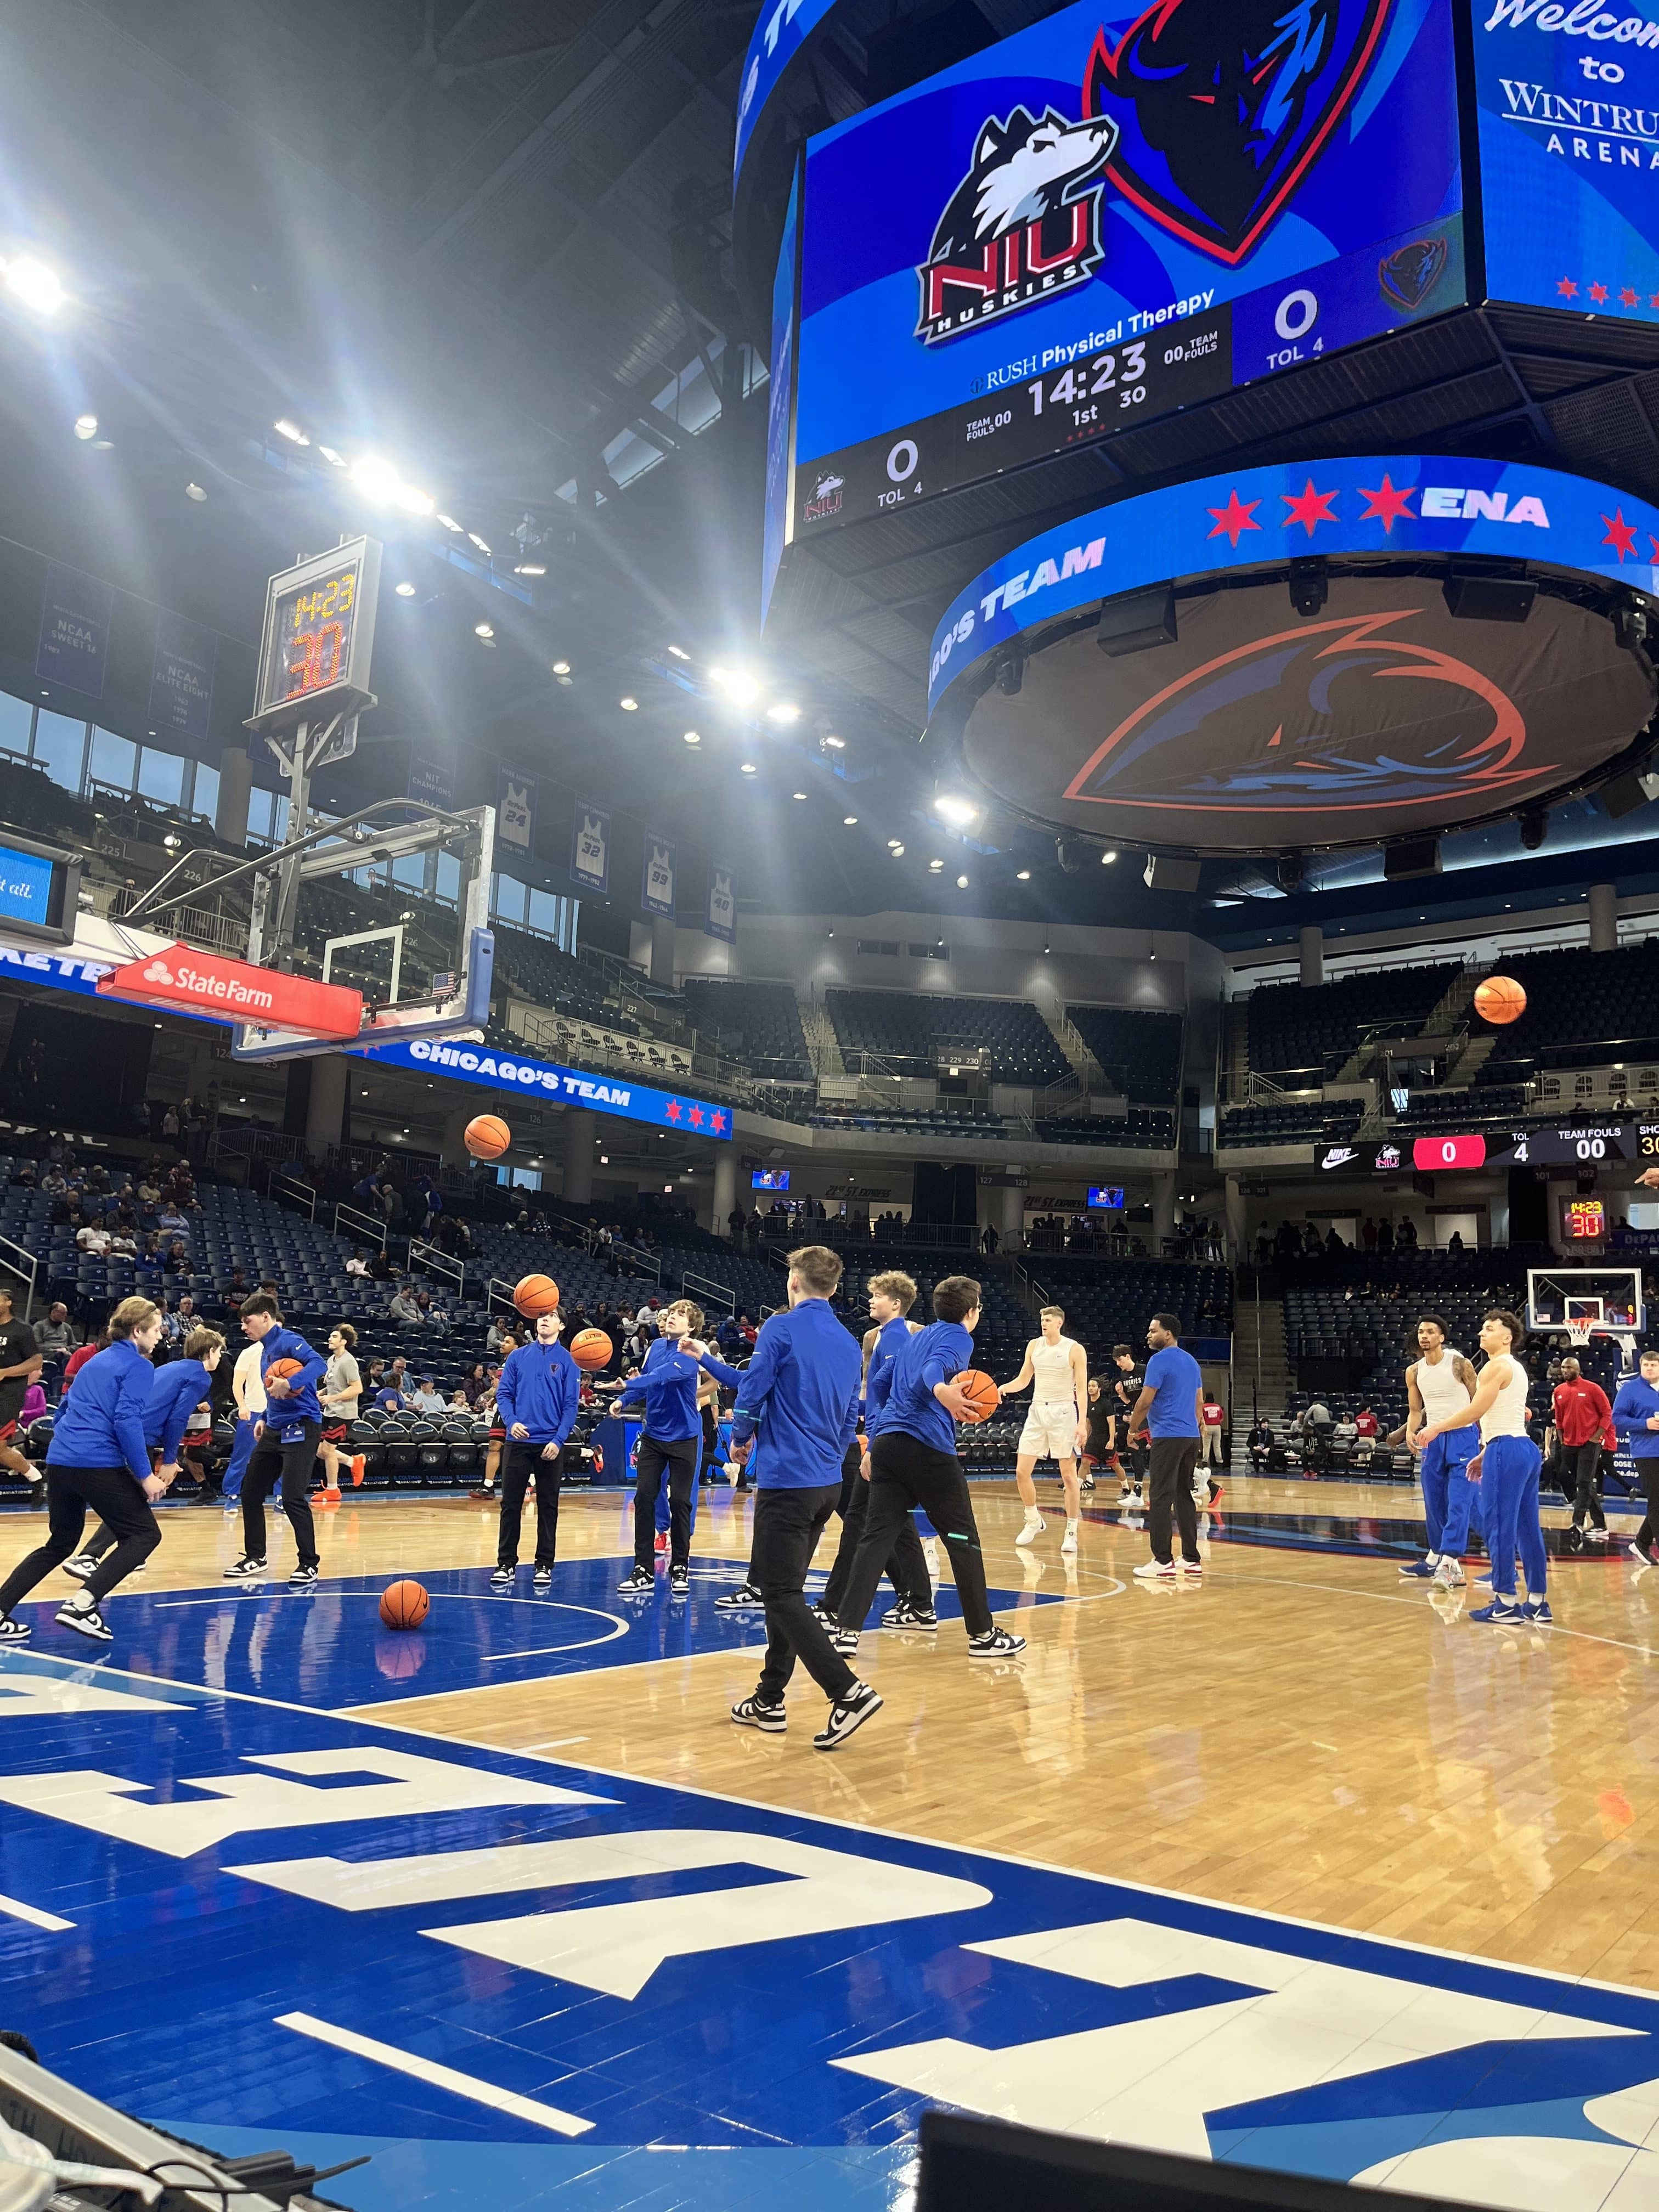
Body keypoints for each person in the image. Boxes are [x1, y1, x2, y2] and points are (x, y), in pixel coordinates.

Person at [709, 1246, 885, 1750]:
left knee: (779, 1594)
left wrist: (741, 1437)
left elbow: (753, 1392)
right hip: (828, 1482)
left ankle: (846, 1692)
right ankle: (769, 1698)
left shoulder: (780, 1328)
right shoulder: (850, 1342)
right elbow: (850, 1407)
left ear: (793, 1282)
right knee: (782, 1591)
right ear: (831, 1288)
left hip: (787, 1480)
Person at [833, 1273, 1026, 1663]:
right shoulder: (957, 1336)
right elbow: (933, 1370)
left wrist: (876, 1434)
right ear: (972, 1313)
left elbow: (880, 1385)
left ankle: (846, 1632)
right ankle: (983, 1634)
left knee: (875, 1538)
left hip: (888, 1447)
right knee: (963, 1540)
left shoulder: (913, 1336)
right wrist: (943, 1393)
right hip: (928, 1449)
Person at [0, 1296, 167, 1646]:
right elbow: (127, 1420)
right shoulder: (139, 1366)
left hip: (61, 1463)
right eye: (155, 1330)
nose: (159, 1336)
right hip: (96, 1464)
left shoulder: (97, 1360)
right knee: (144, 1535)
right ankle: (82, 1604)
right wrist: (145, 1474)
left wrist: (69, 1448)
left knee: (60, 1543)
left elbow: (62, 1412)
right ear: (137, 1331)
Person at [814, 1271, 933, 1630]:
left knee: (866, 1523)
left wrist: (876, 1442)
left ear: (896, 1303)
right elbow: (871, 1389)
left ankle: (840, 1606)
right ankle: (919, 1603)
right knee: (885, 1522)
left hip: (896, 1439)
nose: (870, 1300)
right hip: (881, 1434)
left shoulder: (910, 1335)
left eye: (877, 1295)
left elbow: (903, 1394)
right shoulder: (871, 1337)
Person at [64, 1327, 227, 1583]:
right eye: (220, 1351)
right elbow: (178, 1418)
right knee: (133, 1500)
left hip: (124, 1432)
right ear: (210, 1351)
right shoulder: (200, 1376)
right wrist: (171, 1460)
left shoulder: (171, 1367)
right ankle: (89, 1556)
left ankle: (129, 1552)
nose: (221, 1357)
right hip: (137, 1437)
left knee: (132, 1497)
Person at [1416, 1309, 1545, 1625]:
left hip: (1506, 1450)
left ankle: (1504, 1602)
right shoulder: (1515, 1367)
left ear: (1507, 1337)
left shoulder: (1493, 1367)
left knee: (1500, 1527)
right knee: (1528, 1529)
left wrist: (1437, 1428)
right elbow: (1507, 1418)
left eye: (1489, 1329)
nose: (1481, 1334)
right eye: (1481, 1329)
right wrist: (1485, 1453)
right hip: (1522, 1448)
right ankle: (1538, 1603)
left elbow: (1475, 1410)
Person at [224, 1295, 328, 1588]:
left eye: (248, 1321)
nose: (244, 1327)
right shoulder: (263, 1350)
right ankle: (256, 1556)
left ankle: (309, 1564)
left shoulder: (287, 1340)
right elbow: (274, 1392)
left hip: (303, 1427)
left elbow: (318, 1364)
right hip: (274, 1428)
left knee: (293, 1497)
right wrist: (264, 1418)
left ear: (266, 1317)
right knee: (251, 1492)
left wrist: (291, 1382)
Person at [614, 1302, 708, 1596]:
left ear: (691, 1327)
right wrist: (624, 1399)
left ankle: (680, 1566)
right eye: (671, 1313)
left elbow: (659, 1377)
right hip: (653, 1436)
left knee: (680, 1502)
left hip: (684, 1437)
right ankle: (642, 1569)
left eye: (681, 1315)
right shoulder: (655, 1347)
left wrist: (626, 1385)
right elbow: (645, 1386)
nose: (671, 1317)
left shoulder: (690, 1352)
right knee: (644, 1498)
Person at [492, 1309, 580, 1592]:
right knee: (510, 1505)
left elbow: (571, 1406)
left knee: (549, 1507)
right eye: (541, 1314)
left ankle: (544, 1564)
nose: (544, 1319)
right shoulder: (517, 1357)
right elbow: (503, 1394)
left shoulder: (569, 1360)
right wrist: (512, 1421)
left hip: (550, 1444)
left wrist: (559, 1440)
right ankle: (506, 1563)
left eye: (551, 1315)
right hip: (518, 1442)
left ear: (561, 1325)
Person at [998, 1305, 1088, 1555]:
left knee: (1069, 1476)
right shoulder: (1034, 1346)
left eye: (1048, 1320)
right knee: (1021, 1471)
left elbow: (1081, 1389)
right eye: (1042, 1319)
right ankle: (1033, 1520)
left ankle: (1071, 1532)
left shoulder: (1074, 1349)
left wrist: (1082, 1423)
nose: (1043, 1323)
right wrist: (1002, 1388)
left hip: (1063, 1412)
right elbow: (1024, 1379)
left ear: (1059, 1323)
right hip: (1037, 1411)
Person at [1401, 1316, 1479, 1590]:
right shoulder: (1414, 1371)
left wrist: (1484, 1438)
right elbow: (1414, 1411)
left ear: (1442, 1337)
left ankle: (1449, 1561)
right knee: (1434, 1502)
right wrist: (1411, 1431)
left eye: (1431, 1332)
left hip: (1463, 1436)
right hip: (1432, 1438)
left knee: (1458, 1502)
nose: (1424, 1336)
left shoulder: (1459, 1364)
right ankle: (1436, 1556)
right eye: (1421, 1331)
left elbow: (1479, 1401)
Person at [1125, 1313, 1204, 1582]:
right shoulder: (1192, 1362)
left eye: (1153, 1330)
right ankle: (1192, 1559)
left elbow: (1145, 1401)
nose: (1148, 1335)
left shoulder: (1159, 1360)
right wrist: (1194, 1430)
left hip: (1168, 1437)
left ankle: (1162, 1561)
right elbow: (1199, 1403)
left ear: (1167, 1334)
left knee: (1159, 1496)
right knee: (1184, 1494)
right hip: (1190, 1436)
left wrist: (1133, 1429)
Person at [1553, 1355, 1613, 1544]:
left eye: (1569, 1367)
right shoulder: (1558, 1391)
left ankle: (1577, 1522)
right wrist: (1562, 1439)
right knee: (1584, 1484)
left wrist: (1597, 1436)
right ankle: (1600, 1524)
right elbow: (1559, 1417)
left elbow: (1607, 1413)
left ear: (1578, 1370)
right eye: (1563, 1367)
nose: (1565, 1370)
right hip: (1569, 1444)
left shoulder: (1592, 1388)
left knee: (1584, 1481)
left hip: (1589, 1443)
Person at [0, 1288, 44, 1504]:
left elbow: (37, 1362)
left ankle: (36, 1479)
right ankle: (36, 1478)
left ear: (8, 1302)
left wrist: (5, 1372)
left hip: (7, 1396)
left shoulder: (21, 1330)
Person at [1614, 1349, 1659, 1564]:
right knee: (1657, 1500)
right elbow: (1618, 1419)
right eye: (1646, 1365)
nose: (1650, 1368)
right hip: (1646, 1451)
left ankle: (1641, 1542)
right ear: (1641, 1367)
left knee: (1658, 1501)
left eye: (1654, 1365)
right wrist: (1645, 1424)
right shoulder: (1630, 1390)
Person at [317, 1324, 364, 1503]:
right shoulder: (331, 1360)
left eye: (334, 1337)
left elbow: (357, 1388)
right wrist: (322, 1393)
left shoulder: (348, 1362)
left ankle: (333, 1490)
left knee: (328, 1451)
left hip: (344, 1413)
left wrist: (333, 1398)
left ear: (343, 1341)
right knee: (321, 1451)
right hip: (331, 1411)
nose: (330, 1339)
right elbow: (333, 1385)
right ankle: (354, 1462)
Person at [1111, 1344, 1147, 1503]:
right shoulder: (1123, 1376)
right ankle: (1137, 1492)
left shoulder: (1144, 1370)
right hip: (1138, 1417)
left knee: (1167, 1451)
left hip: (1153, 1415)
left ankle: (1198, 1479)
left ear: (1127, 1356)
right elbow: (1128, 1401)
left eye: (1119, 1360)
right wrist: (1121, 1394)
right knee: (1135, 1450)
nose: (1118, 1364)